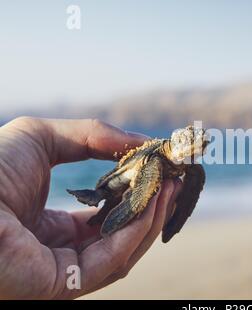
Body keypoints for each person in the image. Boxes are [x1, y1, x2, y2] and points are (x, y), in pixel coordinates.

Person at [0, 117, 181, 299]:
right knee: (123, 199)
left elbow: (191, 185)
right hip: (125, 175)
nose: (197, 146)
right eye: (188, 141)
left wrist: (175, 222)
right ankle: (99, 202)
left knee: (144, 202)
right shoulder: (156, 155)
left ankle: (102, 214)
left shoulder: (190, 165)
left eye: (202, 144)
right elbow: (141, 190)